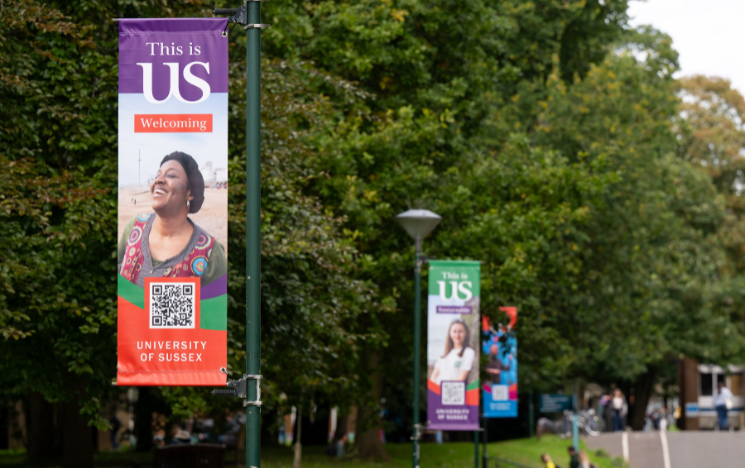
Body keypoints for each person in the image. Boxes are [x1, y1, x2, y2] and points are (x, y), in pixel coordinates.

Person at [118, 152, 227, 288]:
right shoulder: (134, 227)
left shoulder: (210, 253)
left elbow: (215, 308)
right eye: (158, 175)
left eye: (171, 175)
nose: (158, 180)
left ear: (190, 193)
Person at [429, 320, 475, 385]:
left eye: (460, 331)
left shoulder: (468, 352)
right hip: (439, 392)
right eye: (454, 331)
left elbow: (461, 379)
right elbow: (432, 378)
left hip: (455, 392)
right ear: (450, 333)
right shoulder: (443, 355)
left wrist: (440, 381)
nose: (457, 335)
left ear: (466, 333)